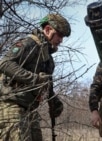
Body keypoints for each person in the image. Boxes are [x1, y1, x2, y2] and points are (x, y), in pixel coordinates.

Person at [0, 13, 71, 141]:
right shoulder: (29, 44)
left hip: (30, 110)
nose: (61, 40)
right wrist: (34, 79)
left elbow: (46, 85)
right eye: (59, 35)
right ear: (48, 30)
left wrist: (54, 101)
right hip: (11, 106)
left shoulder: (48, 59)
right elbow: (5, 63)